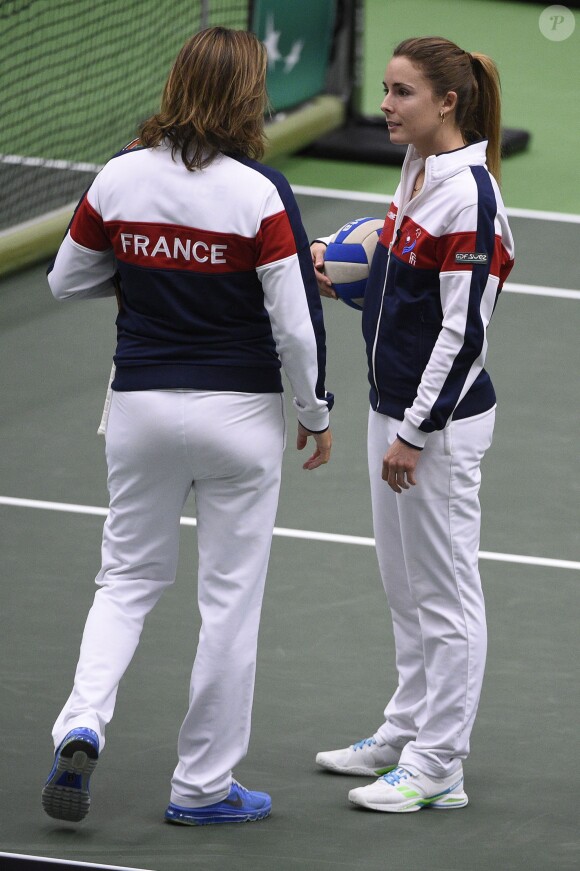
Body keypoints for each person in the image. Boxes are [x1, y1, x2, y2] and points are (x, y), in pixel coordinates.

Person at [43, 26, 333, 827]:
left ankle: (81, 719)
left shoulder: (119, 176)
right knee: (229, 601)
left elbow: (68, 279)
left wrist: (145, 269)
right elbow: (297, 329)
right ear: (247, 95)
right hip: (238, 416)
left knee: (127, 579)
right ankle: (202, 786)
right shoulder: (261, 191)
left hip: (138, 407)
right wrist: (316, 412)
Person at [311, 36, 514, 813]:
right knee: (405, 586)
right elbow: (400, 276)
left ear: (447, 103)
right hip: (393, 406)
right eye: (387, 90)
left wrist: (414, 433)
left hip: (438, 426)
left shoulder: (472, 200)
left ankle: (441, 765)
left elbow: (464, 335)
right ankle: (407, 725)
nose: (386, 106)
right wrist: (342, 265)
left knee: (446, 592)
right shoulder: (419, 169)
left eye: (401, 93)